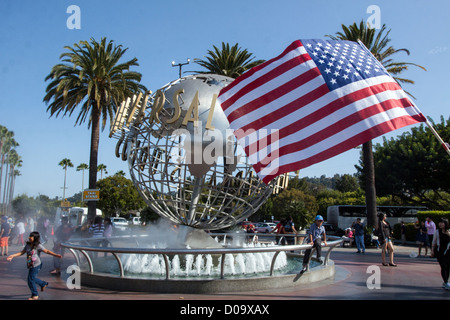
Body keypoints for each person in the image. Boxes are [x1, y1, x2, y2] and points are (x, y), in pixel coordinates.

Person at [7, 231, 62, 300]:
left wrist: (55, 255)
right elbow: (22, 252)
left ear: (35, 238)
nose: (29, 237)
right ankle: (43, 284)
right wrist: (12, 256)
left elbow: (46, 251)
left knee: (31, 279)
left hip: (36, 265)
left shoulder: (38, 246)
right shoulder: (27, 245)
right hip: (30, 264)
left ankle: (35, 295)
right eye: (29, 236)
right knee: (31, 279)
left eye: (31, 236)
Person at [431, 218, 450, 290]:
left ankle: (445, 282)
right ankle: (446, 282)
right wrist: (432, 251)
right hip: (440, 252)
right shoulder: (437, 232)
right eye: (439, 222)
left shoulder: (449, 231)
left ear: (446, 224)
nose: (440, 224)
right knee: (443, 267)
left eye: (442, 222)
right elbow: (434, 242)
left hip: (448, 252)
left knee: (448, 267)